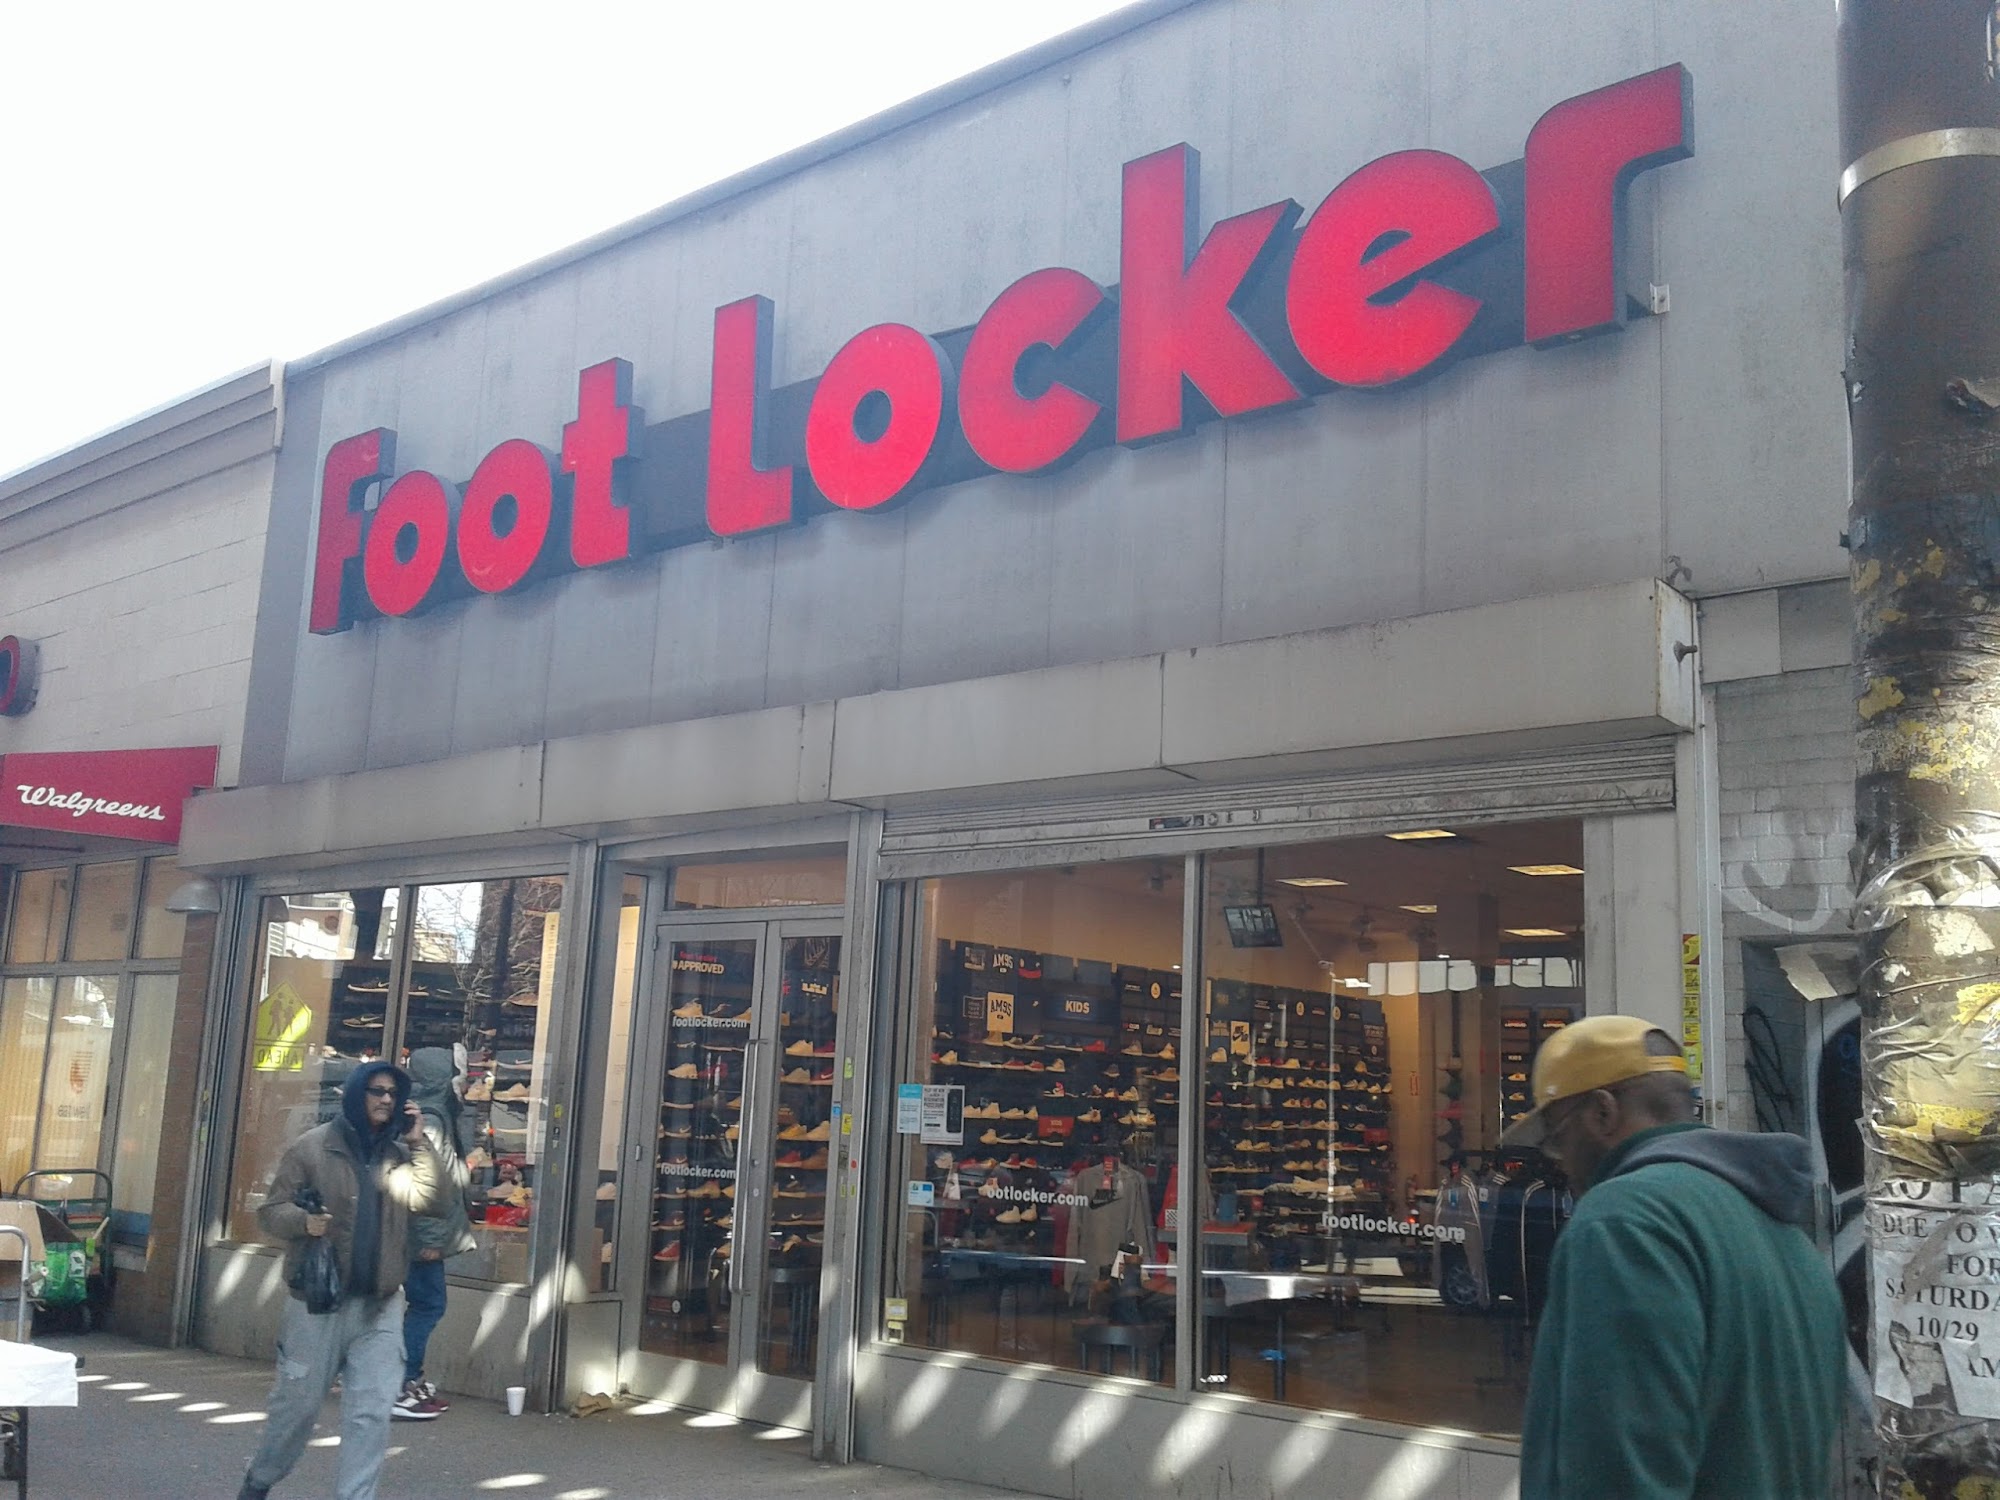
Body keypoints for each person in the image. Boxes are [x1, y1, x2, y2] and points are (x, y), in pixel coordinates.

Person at [1503, 1014, 1845, 1500]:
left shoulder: (1623, 1221)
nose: (1560, 1163)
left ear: (1602, 1113)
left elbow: (1620, 1469)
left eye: (1557, 1138)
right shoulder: (1781, 1231)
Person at [237, 1062, 445, 1500]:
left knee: (371, 1413)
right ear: (355, 1094)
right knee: (297, 1409)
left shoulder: (400, 1153)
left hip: (381, 1305)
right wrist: (304, 1222)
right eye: (377, 1091)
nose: (386, 1100)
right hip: (318, 1303)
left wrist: (419, 1143)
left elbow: (432, 1202)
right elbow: (270, 1212)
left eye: (393, 1093)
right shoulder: (313, 1148)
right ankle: (260, 1480)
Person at [394, 1048, 477, 1421]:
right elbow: (426, 1182)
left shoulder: (430, 1113)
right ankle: (403, 1381)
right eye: (459, 1075)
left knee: (421, 1305)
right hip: (421, 1236)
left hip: (418, 1233)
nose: (465, 1083)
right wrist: (430, 1239)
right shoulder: (431, 1120)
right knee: (428, 1305)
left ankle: (406, 1378)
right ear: (444, 1079)